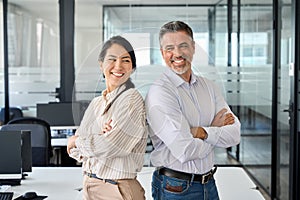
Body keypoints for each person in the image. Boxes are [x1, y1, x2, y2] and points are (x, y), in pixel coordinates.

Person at [145, 21, 241, 199]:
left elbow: (235, 134)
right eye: (169, 48)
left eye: (183, 46)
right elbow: (185, 150)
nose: (177, 54)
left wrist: (202, 132)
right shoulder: (160, 92)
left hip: (209, 185)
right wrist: (215, 128)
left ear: (193, 47)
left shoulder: (209, 87)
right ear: (162, 53)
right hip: (175, 189)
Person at [67, 35, 148, 200]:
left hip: (116, 189)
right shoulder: (97, 103)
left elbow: (111, 147)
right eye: (112, 59)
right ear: (101, 64)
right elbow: (74, 152)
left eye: (125, 60)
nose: (118, 66)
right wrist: (95, 139)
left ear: (132, 67)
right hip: (90, 184)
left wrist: (77, 140)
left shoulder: (131, 99)